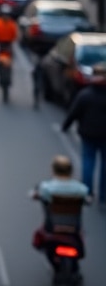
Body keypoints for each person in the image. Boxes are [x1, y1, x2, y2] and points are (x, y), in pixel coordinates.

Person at [30, 155, 89, 266]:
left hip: (52, 226)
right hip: (74, 227)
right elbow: (88, 199)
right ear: (71, 171)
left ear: (53, 170)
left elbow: (35, 195)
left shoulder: (46, 187)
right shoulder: (81, 188)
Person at [62, 62, 106, 201]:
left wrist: (65, 126)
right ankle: (103, 195)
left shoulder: (85, 95)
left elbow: (74, 112)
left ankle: (87, 192)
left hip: (88, 134)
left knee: (88, 161)